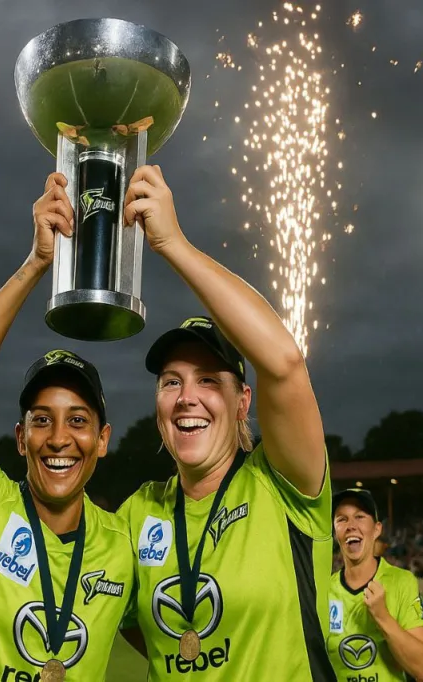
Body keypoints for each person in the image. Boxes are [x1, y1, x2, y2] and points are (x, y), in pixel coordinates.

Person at [116, 165, 335, 680]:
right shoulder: (139, 512)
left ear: (243, 402)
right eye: (171, 382)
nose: (187, 398)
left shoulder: (282, 482)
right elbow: (125, 618)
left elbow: (284, 363)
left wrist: (172, 244)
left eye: (210, 380)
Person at [0, 171, 135, 681]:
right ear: (21, 438)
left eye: (79, 421)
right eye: (42, 420)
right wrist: (37, 263)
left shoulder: (123, 544)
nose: (60, 438)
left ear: (102, 441)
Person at [328, 489, 423, 682]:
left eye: (359, 517)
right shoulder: (324, 590)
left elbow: (422, 669)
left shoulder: (402, 582)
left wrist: (382, 616)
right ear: (335, 533)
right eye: (342, 519)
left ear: (377, 529)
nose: (351, 525)